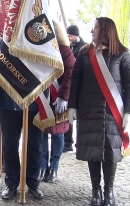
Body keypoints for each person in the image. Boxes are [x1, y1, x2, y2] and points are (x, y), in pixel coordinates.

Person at [68, 17, 130, 206]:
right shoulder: (84, 53)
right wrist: (72, 106)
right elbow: (76, 81)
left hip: (111, 113)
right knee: (92, 150)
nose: (92, 30)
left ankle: (109, 190)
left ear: (106, 30)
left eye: (96, 27)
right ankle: (95, 190)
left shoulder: (122, 54)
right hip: (88, 111)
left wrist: (128, 111)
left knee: (110, 151)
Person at [0, 40, 45, 200]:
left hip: (34, 104)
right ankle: (12, 183)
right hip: (8, 104)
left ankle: (33, 183)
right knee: (9, 146)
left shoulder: (39, 42)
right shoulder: (3, 43)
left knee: (34, 146)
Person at [38, 21, 75, 184]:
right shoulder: (39, 48)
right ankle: (42, 166)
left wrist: (64, 96)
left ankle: (54, 168)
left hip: (59, 97)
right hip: (43, 96)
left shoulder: (64, 49)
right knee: (42, 132)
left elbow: (70, 73)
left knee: (58, 134)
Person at [63, 24, 86, 153]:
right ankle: (68, 143)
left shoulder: (84, 48)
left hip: (81, 88)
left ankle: (80, 143)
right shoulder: (69, 47)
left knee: (80, 118)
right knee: (69, 116)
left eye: (70, 36)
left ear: (76, 35)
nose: (69, 38)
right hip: (70, 87)